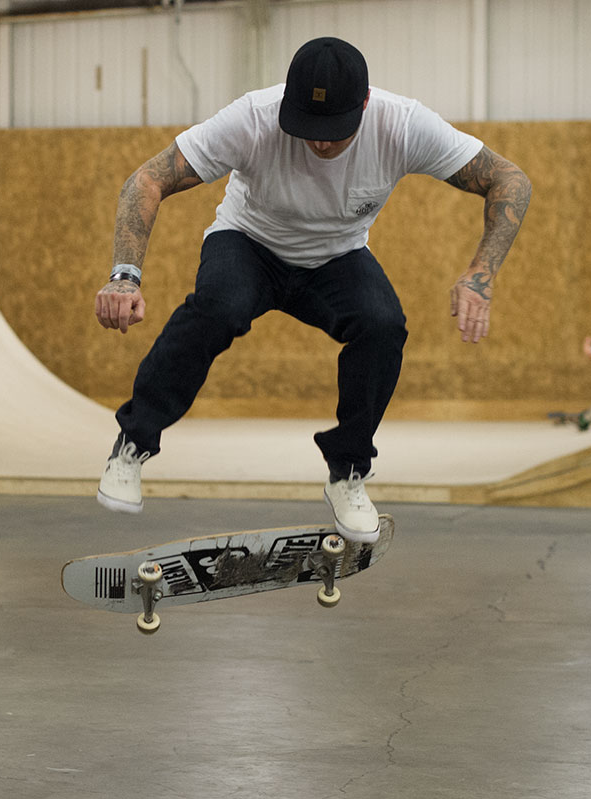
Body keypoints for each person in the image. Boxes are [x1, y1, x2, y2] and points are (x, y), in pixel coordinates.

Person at [93, 36, 531, 543]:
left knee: (383, 325)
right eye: (308, 129)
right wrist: (125, 274)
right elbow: (148, 179)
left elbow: (510, 179)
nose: (320, 143)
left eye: (334, 133)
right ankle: (133, 444)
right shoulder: (252, 118)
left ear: (364, 105)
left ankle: (348, 471)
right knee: (218, 307)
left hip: (336, 257)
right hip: (248, 243)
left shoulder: (404, 125)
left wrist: (480, 274)